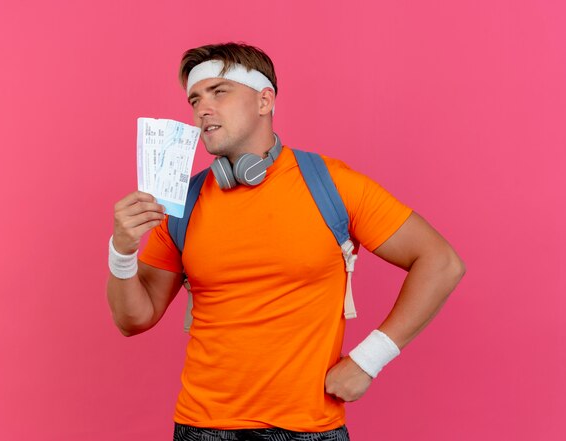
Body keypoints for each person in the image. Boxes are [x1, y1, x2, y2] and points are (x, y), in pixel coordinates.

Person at [107, 42, 465, 441]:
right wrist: (121, 249)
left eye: (219, 92)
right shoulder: (181, 203)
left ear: (264, 101)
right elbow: (134, 319)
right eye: (195, 98)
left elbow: (441, 261)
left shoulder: (332, 184)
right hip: (202, 427)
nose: (202, 108)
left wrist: (369, 360)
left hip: (310, 429)